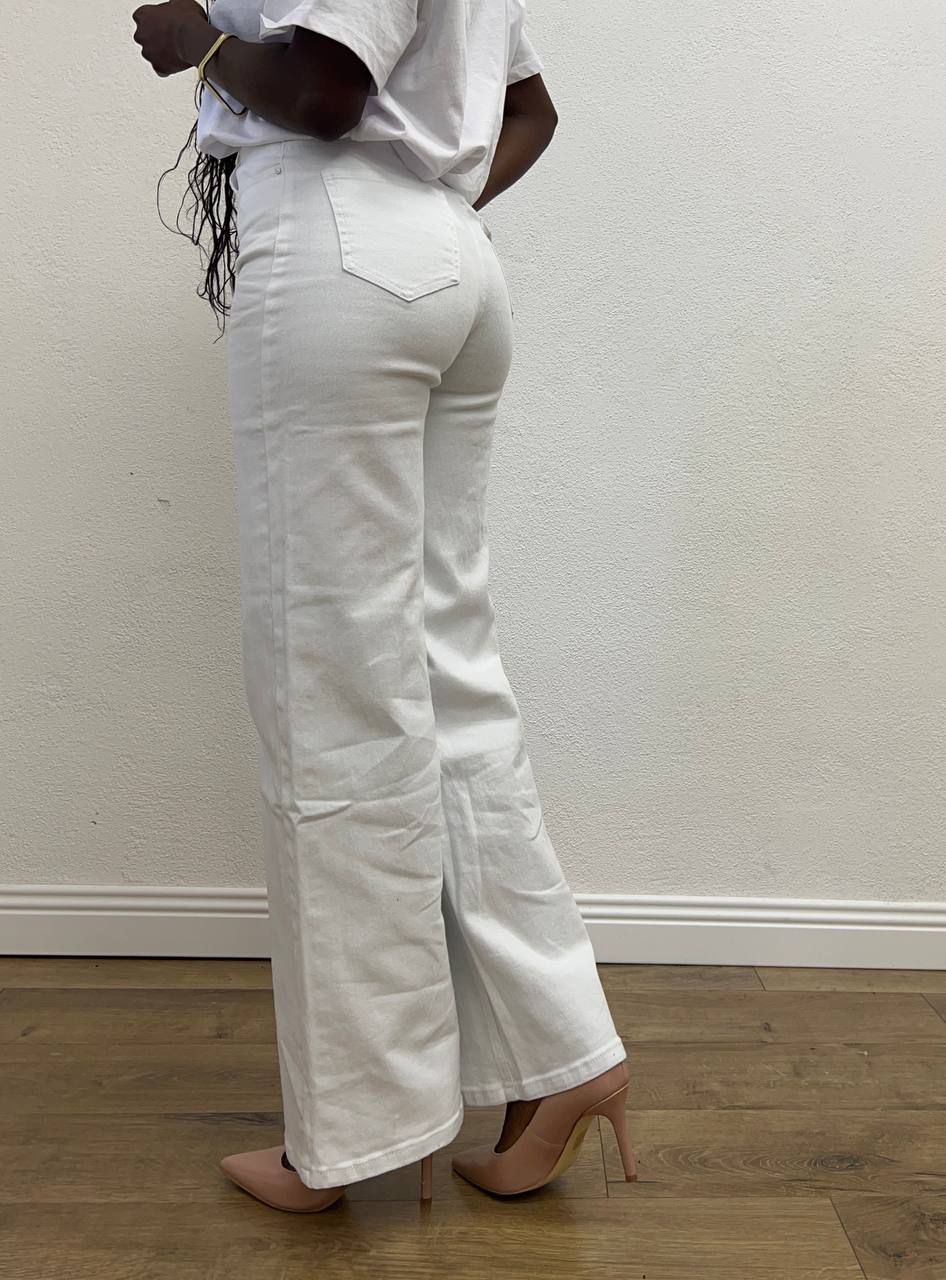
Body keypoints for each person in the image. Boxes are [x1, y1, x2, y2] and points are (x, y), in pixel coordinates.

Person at [131, 0, 637, 1212]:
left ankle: (356, 1130)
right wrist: (432, 205)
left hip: (339, 251)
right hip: (450, 265)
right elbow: (529, 110)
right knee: (445, 672)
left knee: (331, 692)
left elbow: (323, 93)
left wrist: (197, 41)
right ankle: (565, 1051)